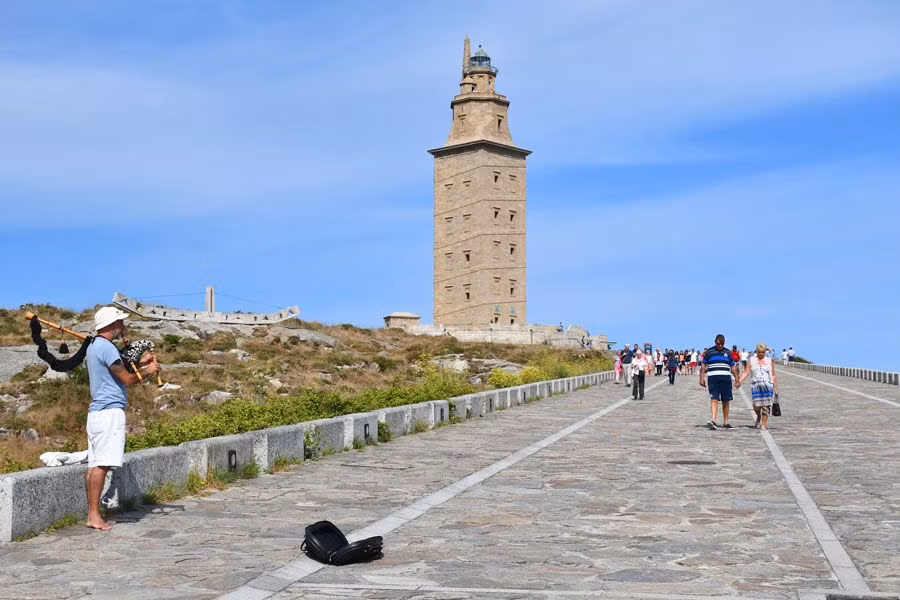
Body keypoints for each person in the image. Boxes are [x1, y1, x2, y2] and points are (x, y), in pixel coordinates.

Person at [84, 306, 160, 531]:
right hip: (109, 411)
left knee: (95, 464)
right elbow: (126, 380)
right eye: (120, 323)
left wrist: (143, 366)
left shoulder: (96, 346)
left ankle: (92, 513)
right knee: (101, 465)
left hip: (98, 412)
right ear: (111, 325)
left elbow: (119, 374)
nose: (123, 327)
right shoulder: (106, 348)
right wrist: (148, 371)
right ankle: (94, 515)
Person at [700, 333, 739, 430]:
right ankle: (713, 421)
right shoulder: (709, 352)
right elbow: (703, 366)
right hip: (713, 379)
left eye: (722, 344)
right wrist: (701, 378)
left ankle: (726, 422)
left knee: (726, 400)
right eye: (718, 344)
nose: (720, 346)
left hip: (726, 380)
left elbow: (733, 367)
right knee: (714, 399)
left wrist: (737, 379)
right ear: (715, 342)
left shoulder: (728, 353)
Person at [737, 342, 778, 431]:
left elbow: (773, 375)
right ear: (757, 351)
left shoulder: (769, 361)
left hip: (767, 386)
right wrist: (739, 381)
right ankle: (758, 416)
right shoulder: (751, 360)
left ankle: (764, 424)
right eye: (759, 352)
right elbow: (746, 372)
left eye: (763, 352)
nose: (761, 354)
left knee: (766, 406)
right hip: (756, 386)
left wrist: (776, 388)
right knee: (756, 406)